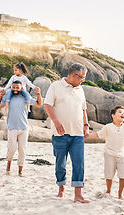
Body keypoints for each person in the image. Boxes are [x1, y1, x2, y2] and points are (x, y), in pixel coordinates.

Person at [44, 62, 90, 203]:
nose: (83, 80)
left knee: (79, 163)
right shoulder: (56, 86)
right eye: (82, 77)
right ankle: (61, 189)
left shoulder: (80, 89)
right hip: (60, 134)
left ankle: (78, 194)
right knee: (60, 164)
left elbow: (83, 109)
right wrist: (56, 121)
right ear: (73, 75)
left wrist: (86, 125)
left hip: (77, 134)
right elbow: (47, 104)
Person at [86, 106, 124, 199]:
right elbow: (98, 134)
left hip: (121, 155)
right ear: (113, 116)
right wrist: (87, 136)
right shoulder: (108, 127)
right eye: (119, 112)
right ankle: (109, 190)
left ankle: (120, 193)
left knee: (123, 175)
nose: (122, 114)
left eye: (123, 113)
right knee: (109, 174)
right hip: (109, 154)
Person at [0, 80, 43, 176]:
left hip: (24, 128)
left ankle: (20, 171)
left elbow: (39, 103)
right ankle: (8, 164)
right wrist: (0, 95)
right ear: (11, 88)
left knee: (22, 150)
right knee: (12, 149)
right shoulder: (9, 98)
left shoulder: (26, 98)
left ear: (21, 88)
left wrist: (38, 94)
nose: (15, 89)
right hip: (12, 128)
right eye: (14, 87)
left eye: (17, 87)